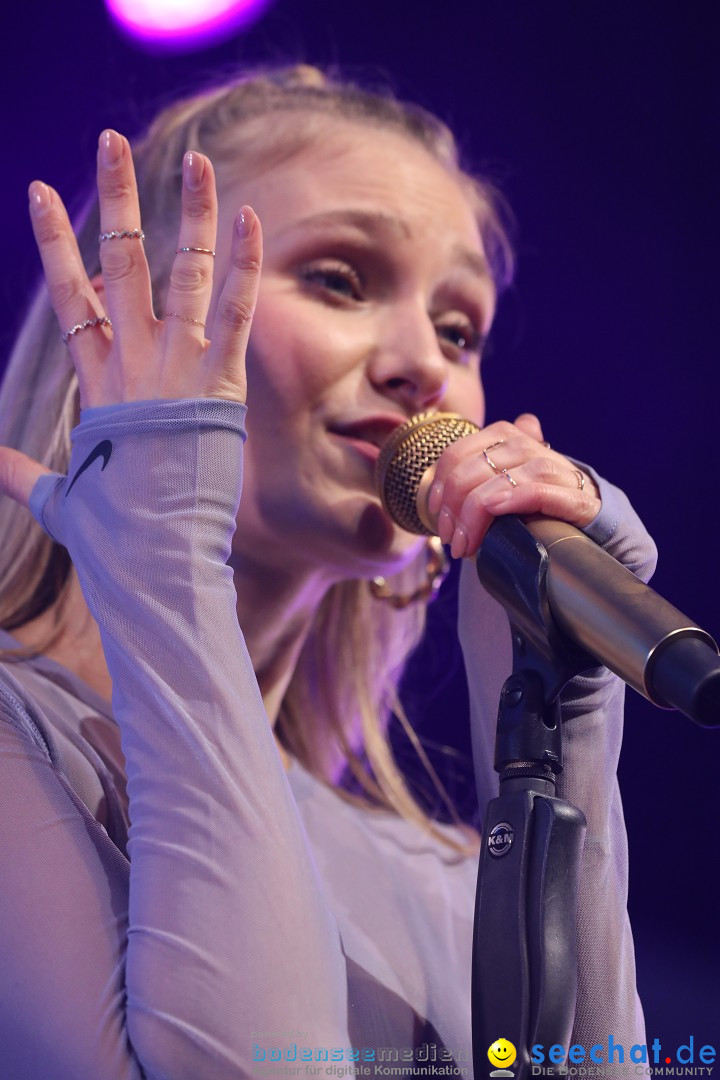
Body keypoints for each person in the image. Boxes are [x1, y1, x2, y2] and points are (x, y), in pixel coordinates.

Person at [0, 65, 654, 1078]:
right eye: (342, 280)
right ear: (133, 328)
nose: (425, 367)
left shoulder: (441, 874)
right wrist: (167, 559)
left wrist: (562, 704)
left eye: (460, 330)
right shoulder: (18, 734)